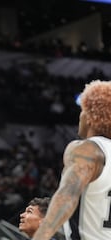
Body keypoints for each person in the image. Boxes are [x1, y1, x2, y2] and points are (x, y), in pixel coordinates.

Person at [32, 80, 111, 240]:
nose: (80, 116)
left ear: (92, 117)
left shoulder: (86, 149)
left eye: (83, 111)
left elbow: (67, 197)